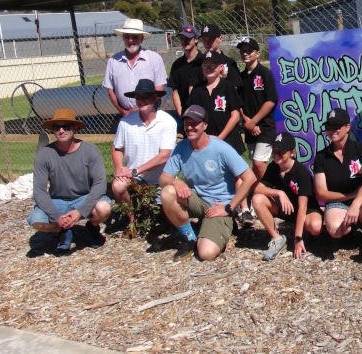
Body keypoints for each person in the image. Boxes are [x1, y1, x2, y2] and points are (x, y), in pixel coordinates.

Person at [159, 105, 257, 262]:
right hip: (198, 200)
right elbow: (163, 178)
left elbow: (249, 177)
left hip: (219, 206)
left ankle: (223, 225)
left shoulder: (220, 148)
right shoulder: (181, 147)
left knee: (206, 253)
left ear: (205, 125)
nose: (189, 127)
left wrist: (229, 207)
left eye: (194, 123)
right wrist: (175, 181)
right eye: (186, 123)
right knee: (167, 192)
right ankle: (190, 238)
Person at [29, 108, 111, 255]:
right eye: (56, 127)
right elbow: (39, 190)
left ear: (75, 128)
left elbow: (100, 184)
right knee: (36, 221)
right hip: (57, 200)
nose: (61, 130)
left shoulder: (90, 150)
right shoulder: (45, 154)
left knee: (104, 208)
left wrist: (80, 212)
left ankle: (92, 228)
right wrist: (57, 217)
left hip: (83, 197)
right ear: (52, 130)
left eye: (66, 126)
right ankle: (63, 230)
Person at [251, 132, 323, 261]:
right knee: (257, 199)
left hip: (306, 211)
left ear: (292, 153)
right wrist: (279, 193)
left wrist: (297, 238)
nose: (276, 154)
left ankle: (304, 235)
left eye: (281, 151)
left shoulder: (301, 172)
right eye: (274, 150)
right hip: (286, 209)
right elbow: (257, 188)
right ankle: (277, 238)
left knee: (316, 226)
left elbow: (302, 207)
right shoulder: (273, 167)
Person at [111, 79, 177, 210]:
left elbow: (164, 156)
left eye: (146, 97)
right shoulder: (125, 122)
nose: (141, 100)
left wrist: (135, 171)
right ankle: (132, 216)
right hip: (134, 179)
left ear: (155, 99)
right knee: (117, 186)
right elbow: (117, 148)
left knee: (164, 216)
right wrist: (119, 167)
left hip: (161, 180)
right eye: (138, 97)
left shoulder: (168, 122)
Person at [313, 108, 362, 239]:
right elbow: (321, 193)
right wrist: (350, 196)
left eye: (336, 126)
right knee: (334, 230)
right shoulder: (321, 156)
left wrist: (356, 202)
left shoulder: (361, 150)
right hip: (337, 202)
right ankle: (352, 230)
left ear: (347, 127)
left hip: (360, 201)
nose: (332, 130)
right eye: (329, 126)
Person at [103, 18, 168, 117]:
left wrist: (143, 108)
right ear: (123, 38)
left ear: (141, 38)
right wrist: (123, 112)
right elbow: (110, 90)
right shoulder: (113, 61)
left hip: (150, 113)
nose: (130, 40)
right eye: (127, 36)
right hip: (125, 114)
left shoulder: (154, 58)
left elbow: (159, 88)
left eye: (134, 37)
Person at [187, 52, 245, 154]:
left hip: (229, 141)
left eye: (212, 65)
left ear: (221, 67)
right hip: (205, 141)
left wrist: (219, 138)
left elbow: (235, 116)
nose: (208, 68)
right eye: (205, 65)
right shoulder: (197, 89)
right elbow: (192, 116)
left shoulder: (227, 87)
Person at [239, 36, 277, 181]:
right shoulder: (241, 77)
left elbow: (271, 100)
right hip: (249, 128)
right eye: (242, 51)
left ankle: (270, 189)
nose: (245, 53)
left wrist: (254, 121)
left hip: (265, 127)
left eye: (249, 50)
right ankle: (259, 193)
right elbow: (238, 102)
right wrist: (247, 121)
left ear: (257, 54)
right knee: (255, 164)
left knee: (259, 162)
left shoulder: (265, 74)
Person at [167, 24, 203, 118]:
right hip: (186, 114)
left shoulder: (204, 62)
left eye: (188, 38)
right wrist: (181, 114)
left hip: (204, 113)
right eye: (182, 38)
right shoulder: (177, 65)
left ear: (196, 39)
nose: (185, 41)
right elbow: (175, 91)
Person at [199, 24, 243, 94]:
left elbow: (235, 89)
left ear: (220, 38)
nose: (207, 43)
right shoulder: (199, 61)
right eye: (204, 39)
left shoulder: (229, 63)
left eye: (211, 39)